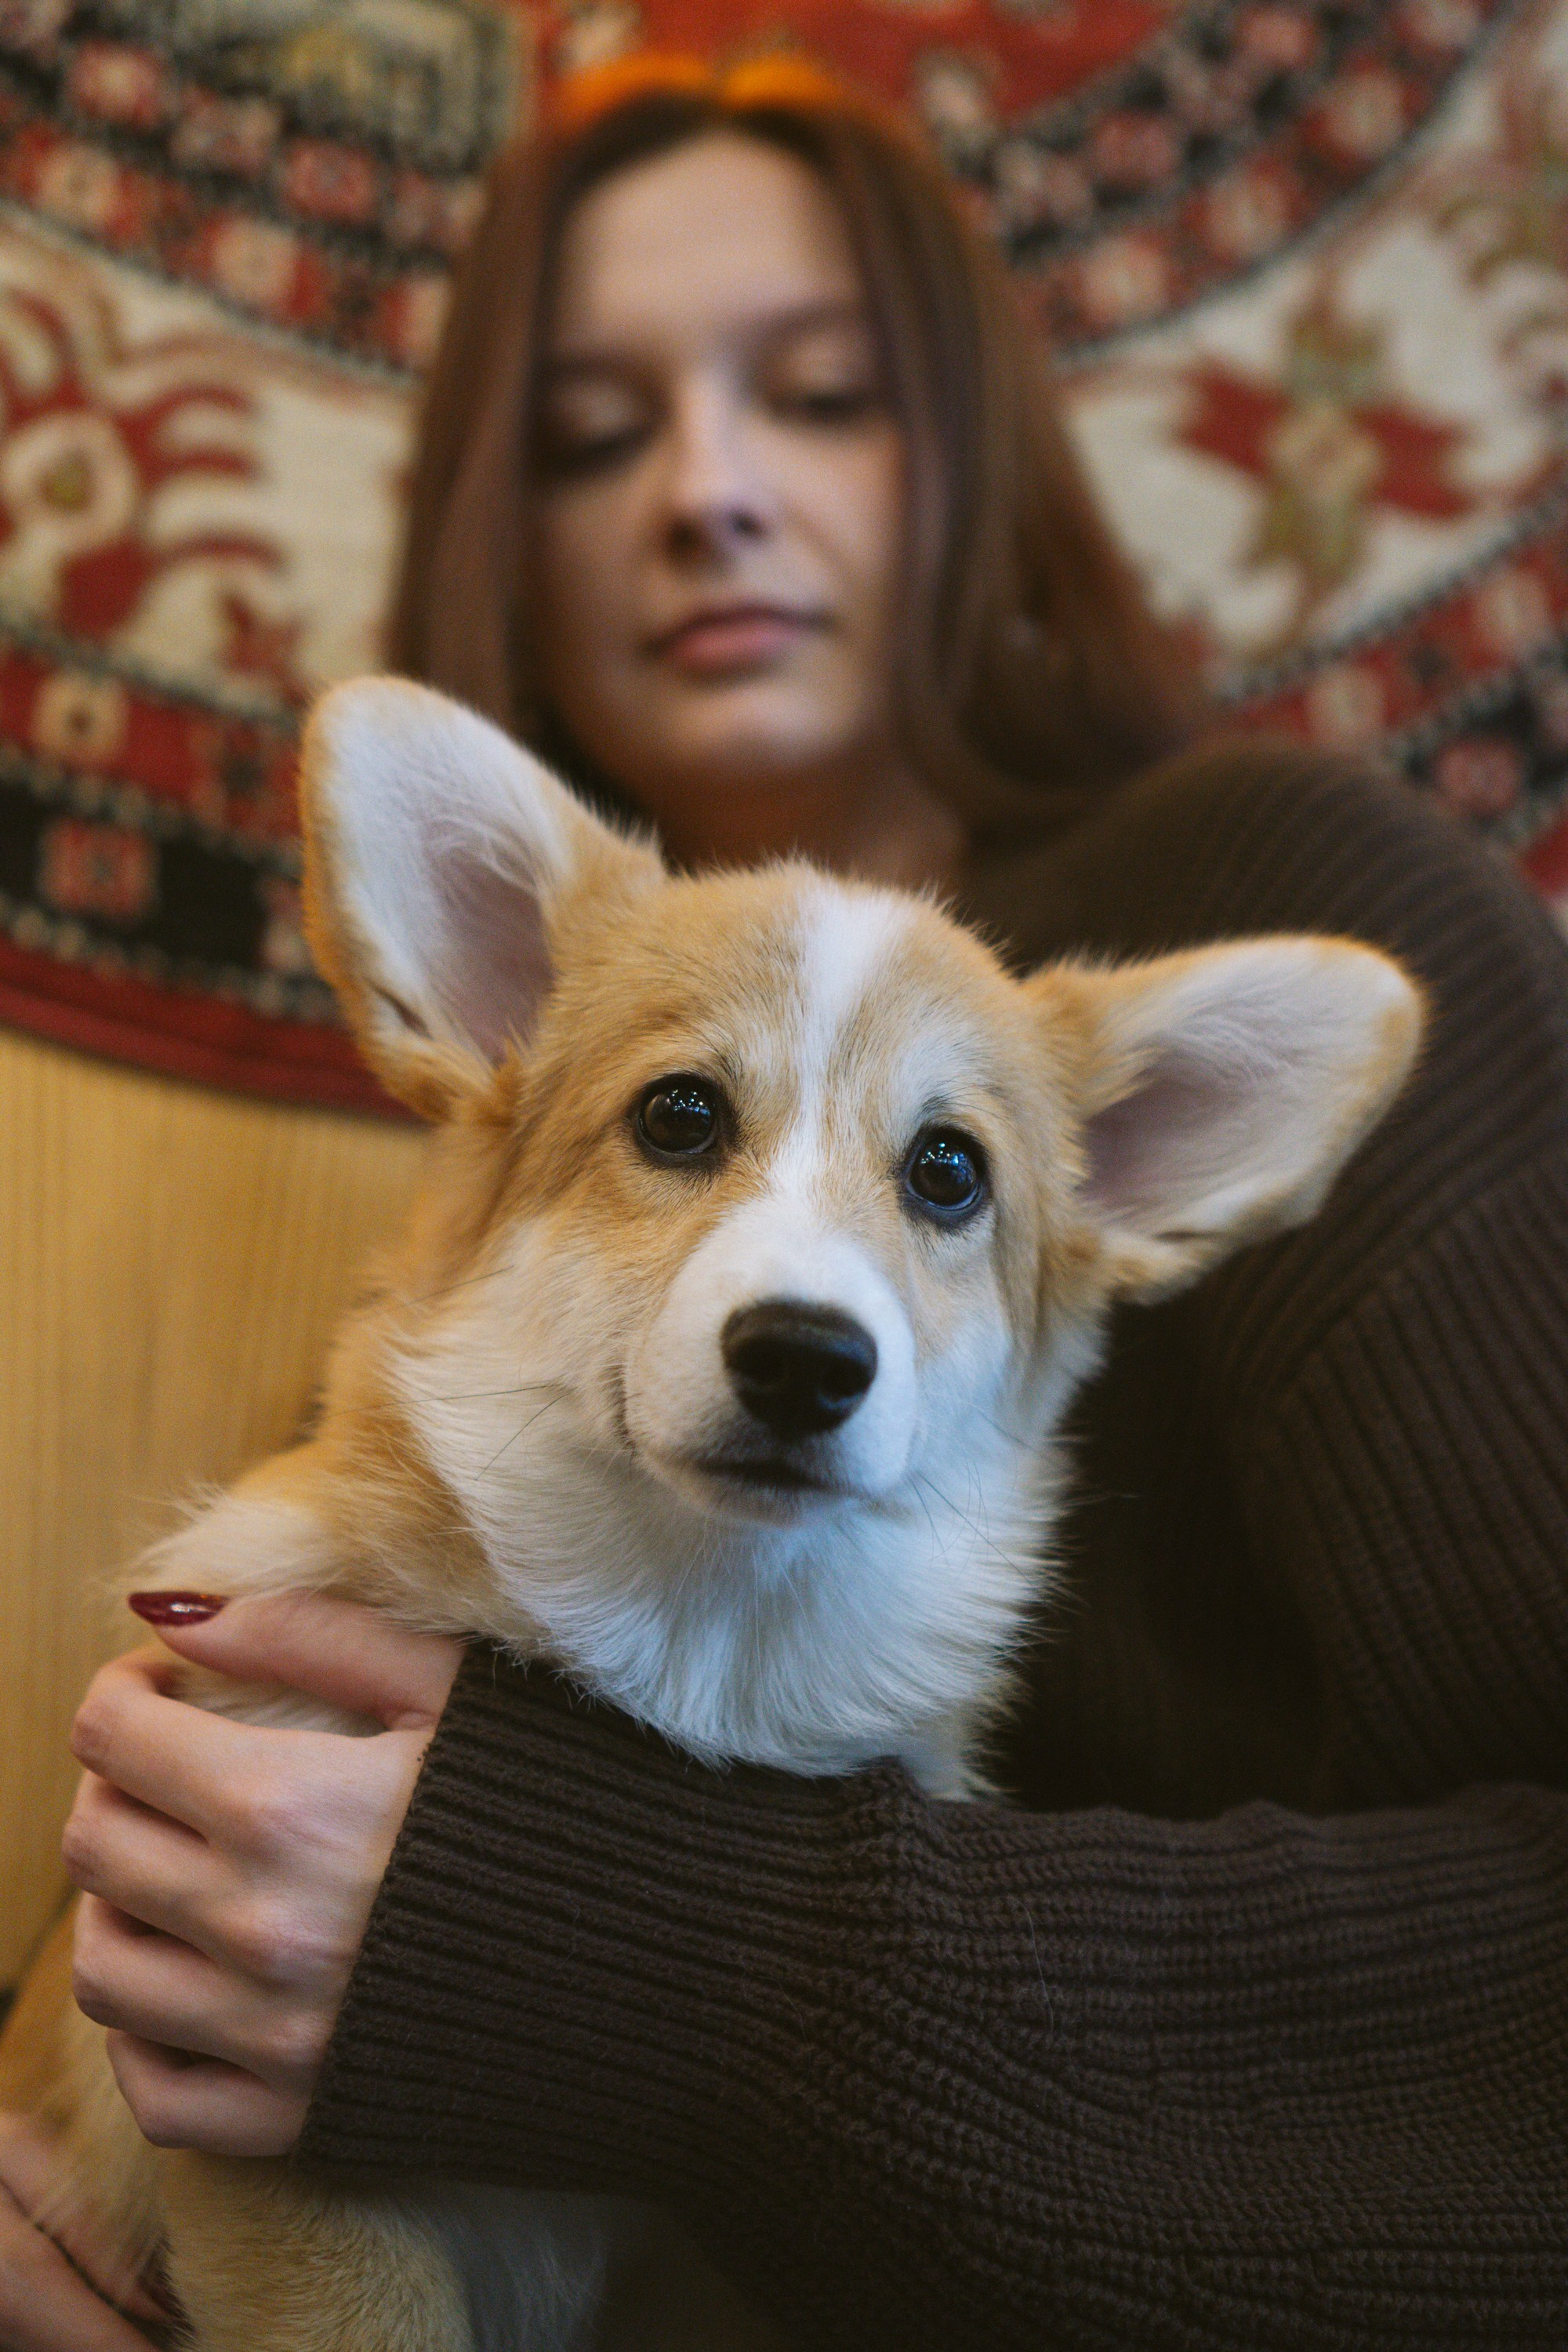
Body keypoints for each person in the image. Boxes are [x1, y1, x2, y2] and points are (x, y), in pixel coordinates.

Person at [5, 53, 1568, 2350]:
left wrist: (695, 1955)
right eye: (593, 431)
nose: (711, 491)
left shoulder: (1273, 880)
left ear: (971, 460)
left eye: (816, 395)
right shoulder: (493, 1249)